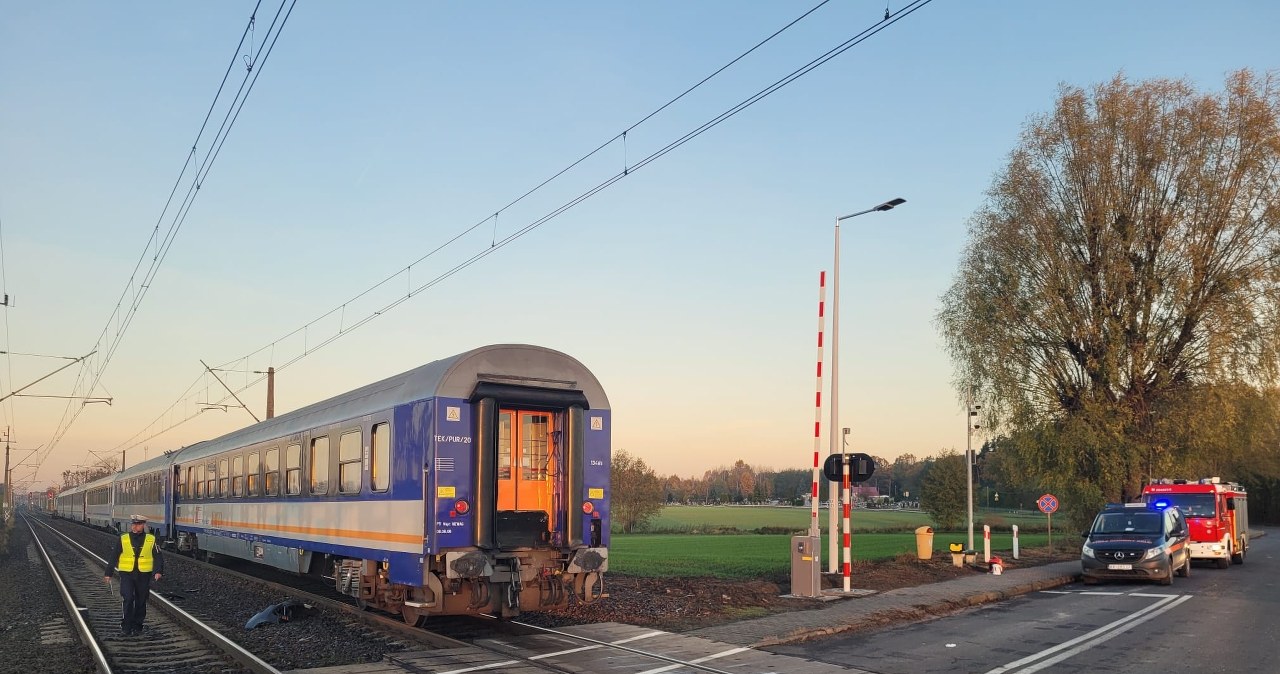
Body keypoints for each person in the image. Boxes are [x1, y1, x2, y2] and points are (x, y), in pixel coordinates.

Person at [103, 514, 164, 636]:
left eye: (138, 524)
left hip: (143, 574)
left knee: (141, 600)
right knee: (128, 598)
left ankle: (137, 625)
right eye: (134, 524)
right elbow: (114, 555)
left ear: (143, 525)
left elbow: (158, 556)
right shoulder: (123, 538)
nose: (135, 526)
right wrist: (108, 573)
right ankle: (126, 625)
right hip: (127, 574)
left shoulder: (151, 539)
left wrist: (158, 571)